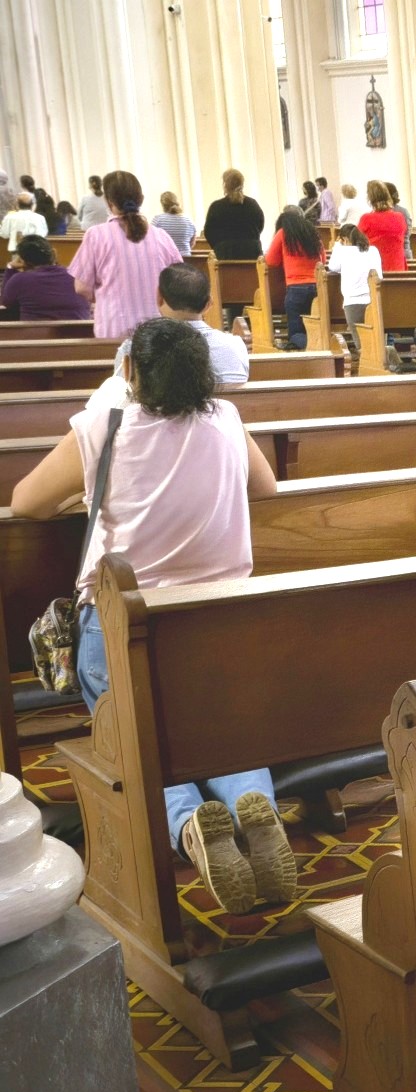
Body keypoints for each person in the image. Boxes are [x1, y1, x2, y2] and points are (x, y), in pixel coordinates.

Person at [11, 318, 291, 918]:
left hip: (124, 622)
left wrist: (87, 493)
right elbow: (266, 487)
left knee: (137, 734)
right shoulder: (226, 418)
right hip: (218, 615)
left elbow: (25, 501)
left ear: (130, 371)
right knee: (221, 726)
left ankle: (190, 826)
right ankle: (258, 812)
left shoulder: (104, 426)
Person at [85, 265, 250, 410]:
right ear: (208, 303)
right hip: (229, 431)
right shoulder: (235, 345)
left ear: (159, 298)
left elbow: (121, 397)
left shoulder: (137, 346)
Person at [70, 170, 181, 340]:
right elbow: (179, 280)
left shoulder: (96, 235)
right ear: (141, 199)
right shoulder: (161, 236)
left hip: (114, 330)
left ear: (108, 202)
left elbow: (82, 287)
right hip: (158, 332)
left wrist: (107, 296)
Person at [266, 207, 322, 350]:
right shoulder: (311, 232)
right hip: (317, 287)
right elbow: (322, 258)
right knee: (315, 326)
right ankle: (317, 346)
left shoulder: (283, 233)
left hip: (296, 287)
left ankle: (304, 349)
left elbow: (270, 260)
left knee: (297, 331)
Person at [1, 236, 90, 321]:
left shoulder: (20, 279)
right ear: (53, 253)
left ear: (23, 261)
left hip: (35, 331)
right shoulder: (75, 274)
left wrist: (10, 268)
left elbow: (6, 302)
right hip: (79, 330)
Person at [326, 224, 382, 352]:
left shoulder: (343, 251)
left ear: (345, 239)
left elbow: (332, 267)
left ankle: (366, 361)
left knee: (360, 343)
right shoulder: (373, 250)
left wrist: (337, 246)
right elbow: (379, 276)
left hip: (353, 302)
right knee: (375, 341)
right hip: (373, 299)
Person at [203, 169, 266, 266]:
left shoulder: (216, 207)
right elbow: (260, 225)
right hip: (252, 253)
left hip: (225, 254)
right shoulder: (253, 205)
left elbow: (208, 232)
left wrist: (219, 246)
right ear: (242, 184)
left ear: (225, 185)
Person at [356, 185, 408, 273]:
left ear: (370, 200)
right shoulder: (399, 217)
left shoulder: (366, 219)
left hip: (375, 271)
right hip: (398, 269)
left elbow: (357, 241)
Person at [152, 191, 197, 255]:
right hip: (185, 258)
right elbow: (192, 243)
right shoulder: (188, 220)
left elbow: (151, 240)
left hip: (166, 258)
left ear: (162, 204)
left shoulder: (157, 220)